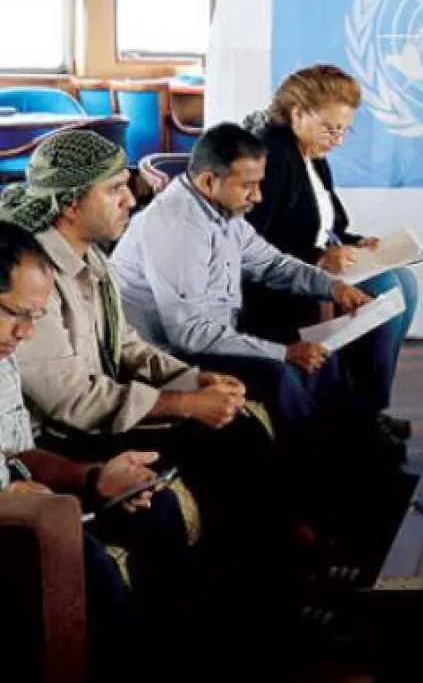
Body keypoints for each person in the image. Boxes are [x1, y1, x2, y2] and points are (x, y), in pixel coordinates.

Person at [0, 129, 280, 567]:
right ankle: (244, 587)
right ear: (72, 204)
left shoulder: (92, 257)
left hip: (95, 416)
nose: (130, 198)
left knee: (236, 426)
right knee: (208, 455)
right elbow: (70, 399)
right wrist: (185, 404)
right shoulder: (36, 277)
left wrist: (193, 379)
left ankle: (267, 571)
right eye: (113, 190)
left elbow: (126, 345)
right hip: (63, 435)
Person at [0, 220, 191, 680]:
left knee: (154, 507)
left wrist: (95, 476)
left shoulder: (3, 360)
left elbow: (19, 453)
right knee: (86, 561)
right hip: (14, 520)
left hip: (26, 507)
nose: (26, 334)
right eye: (16, 314)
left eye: (35, 318)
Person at [110, 125, 376, 437]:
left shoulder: (223, 211)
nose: (258, 196)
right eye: (248, 185)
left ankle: (353, 448)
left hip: (216, 334)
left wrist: (333, 287)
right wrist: (284, 352)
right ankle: (316, 468)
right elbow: (190, 335)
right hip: (168, 356)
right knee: (279, 374)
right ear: (209, 181)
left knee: (322, 358)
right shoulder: (176, 227)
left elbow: (272, 264)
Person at [241, 64, 419, 429]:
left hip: (316, 263)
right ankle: (365, 417)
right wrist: (319, 258)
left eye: (344, 129)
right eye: (330, 127)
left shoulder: (311, 156)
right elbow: (249, 242)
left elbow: (328, 225)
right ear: (298, 113)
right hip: (278, 281)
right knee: (384, 290)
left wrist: (356, 242)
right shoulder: (271, 157)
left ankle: (370, 405)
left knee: (407, 284)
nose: (338, 138)